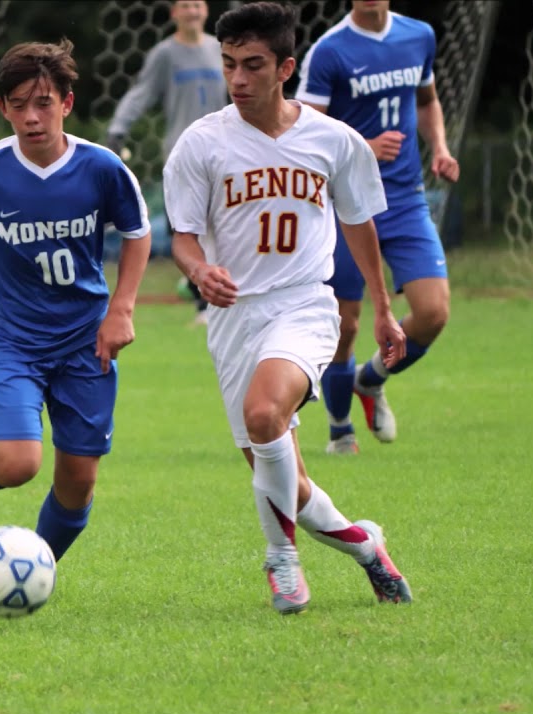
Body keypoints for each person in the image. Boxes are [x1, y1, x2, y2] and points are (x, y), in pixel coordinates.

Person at [163, 0, 412, 614]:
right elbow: (184, 236)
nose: (238, 80)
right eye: (229, 65)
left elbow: (359, 225)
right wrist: (198, 271)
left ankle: (280, 560)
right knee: (286, 481)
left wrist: (381, 310)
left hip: (304, 306)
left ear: (286, 67)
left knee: (263, 411)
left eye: (253, 65)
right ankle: (367, 548)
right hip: (232, 320)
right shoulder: (202, 144)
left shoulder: (335, 141)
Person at [0, 39, 152, 562]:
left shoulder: (102, 168)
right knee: (16, 466)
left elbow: (137, 232)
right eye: (18, 105)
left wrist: (122, 309)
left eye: (43, 103)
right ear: (3, 109)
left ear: (67, 103)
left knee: (79, 482)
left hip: (84, 337)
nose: (31, 117)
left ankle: (32, 567)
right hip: (11, 337)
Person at [295, 0, 460, 455]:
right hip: (345, 202)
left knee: (433, 312)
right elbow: (305, 133)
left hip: (405, 197)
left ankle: (370, 381)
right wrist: (365, 146)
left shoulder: (418, 35)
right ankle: (340, 429)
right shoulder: (329, 51)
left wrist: (440, 148)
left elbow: (427, 101)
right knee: (345, 327)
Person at [106, 0, 227, 326]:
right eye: (185, 6)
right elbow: (141, 93)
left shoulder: (221, 49)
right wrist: (118, 130)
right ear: (174, 13)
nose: (191, 11)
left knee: (223, 225)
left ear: (206, 11)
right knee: (187, 228)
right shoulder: (165, 54)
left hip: (223, 150)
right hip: (182, 153)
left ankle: (209, 292)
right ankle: (202, 304)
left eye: (197, 5)